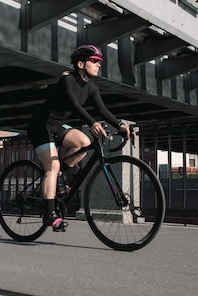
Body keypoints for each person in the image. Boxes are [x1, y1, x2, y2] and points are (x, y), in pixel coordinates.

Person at [27, 44, 131, 232]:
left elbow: (102, 110)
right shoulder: (68, 80)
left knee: (84, 142)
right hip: (40, 125)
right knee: (53, 166)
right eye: (94, 61)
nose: (98, 65)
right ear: (81, 64)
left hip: (57, 126)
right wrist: (92, 123)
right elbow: (74, 105)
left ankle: (60, 176)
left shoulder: (91, 88)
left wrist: (120, 125)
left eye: (99, 62)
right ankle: (50, 214)